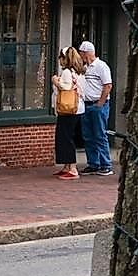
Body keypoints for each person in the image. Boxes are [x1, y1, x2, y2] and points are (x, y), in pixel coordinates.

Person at [76, 39, 113, 177]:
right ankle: (93, 163)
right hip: (86, 104)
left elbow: (108, 85)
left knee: (99, 135)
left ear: (87, 53)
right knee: (88, 136)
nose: (81, 57)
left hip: (97, 105)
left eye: (81, 54)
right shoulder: (85, 68)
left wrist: (100, 103)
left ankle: (106, 164)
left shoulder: (101, 66)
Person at [51, 47, 84, 178]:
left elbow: (66, 87)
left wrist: (56, 81)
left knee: (65, 137)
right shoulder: (79, 72)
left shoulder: (66, 72)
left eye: (61, 57)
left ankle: (73, 168)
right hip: (78, 108)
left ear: (65, 59)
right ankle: (67, 166)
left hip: (68, 109)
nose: (59, 60)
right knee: (67, 136)